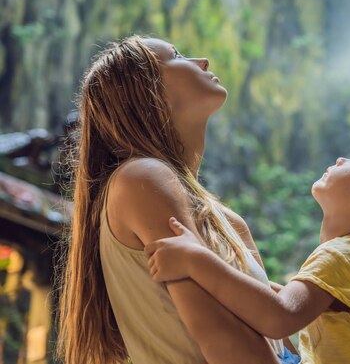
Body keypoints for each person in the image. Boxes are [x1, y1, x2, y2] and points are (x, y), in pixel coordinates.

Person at [55, 36, 297, 364]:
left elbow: (277, 338)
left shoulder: (228, 221)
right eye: (177, 55)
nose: (203, 61)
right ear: (146, 93)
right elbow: (223, 339)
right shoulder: (141, 177)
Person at [146, 142, 350, 364]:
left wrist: (196, 260)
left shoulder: (345, 256)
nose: (343, 157)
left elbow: (279, 316)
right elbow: (271, 298)